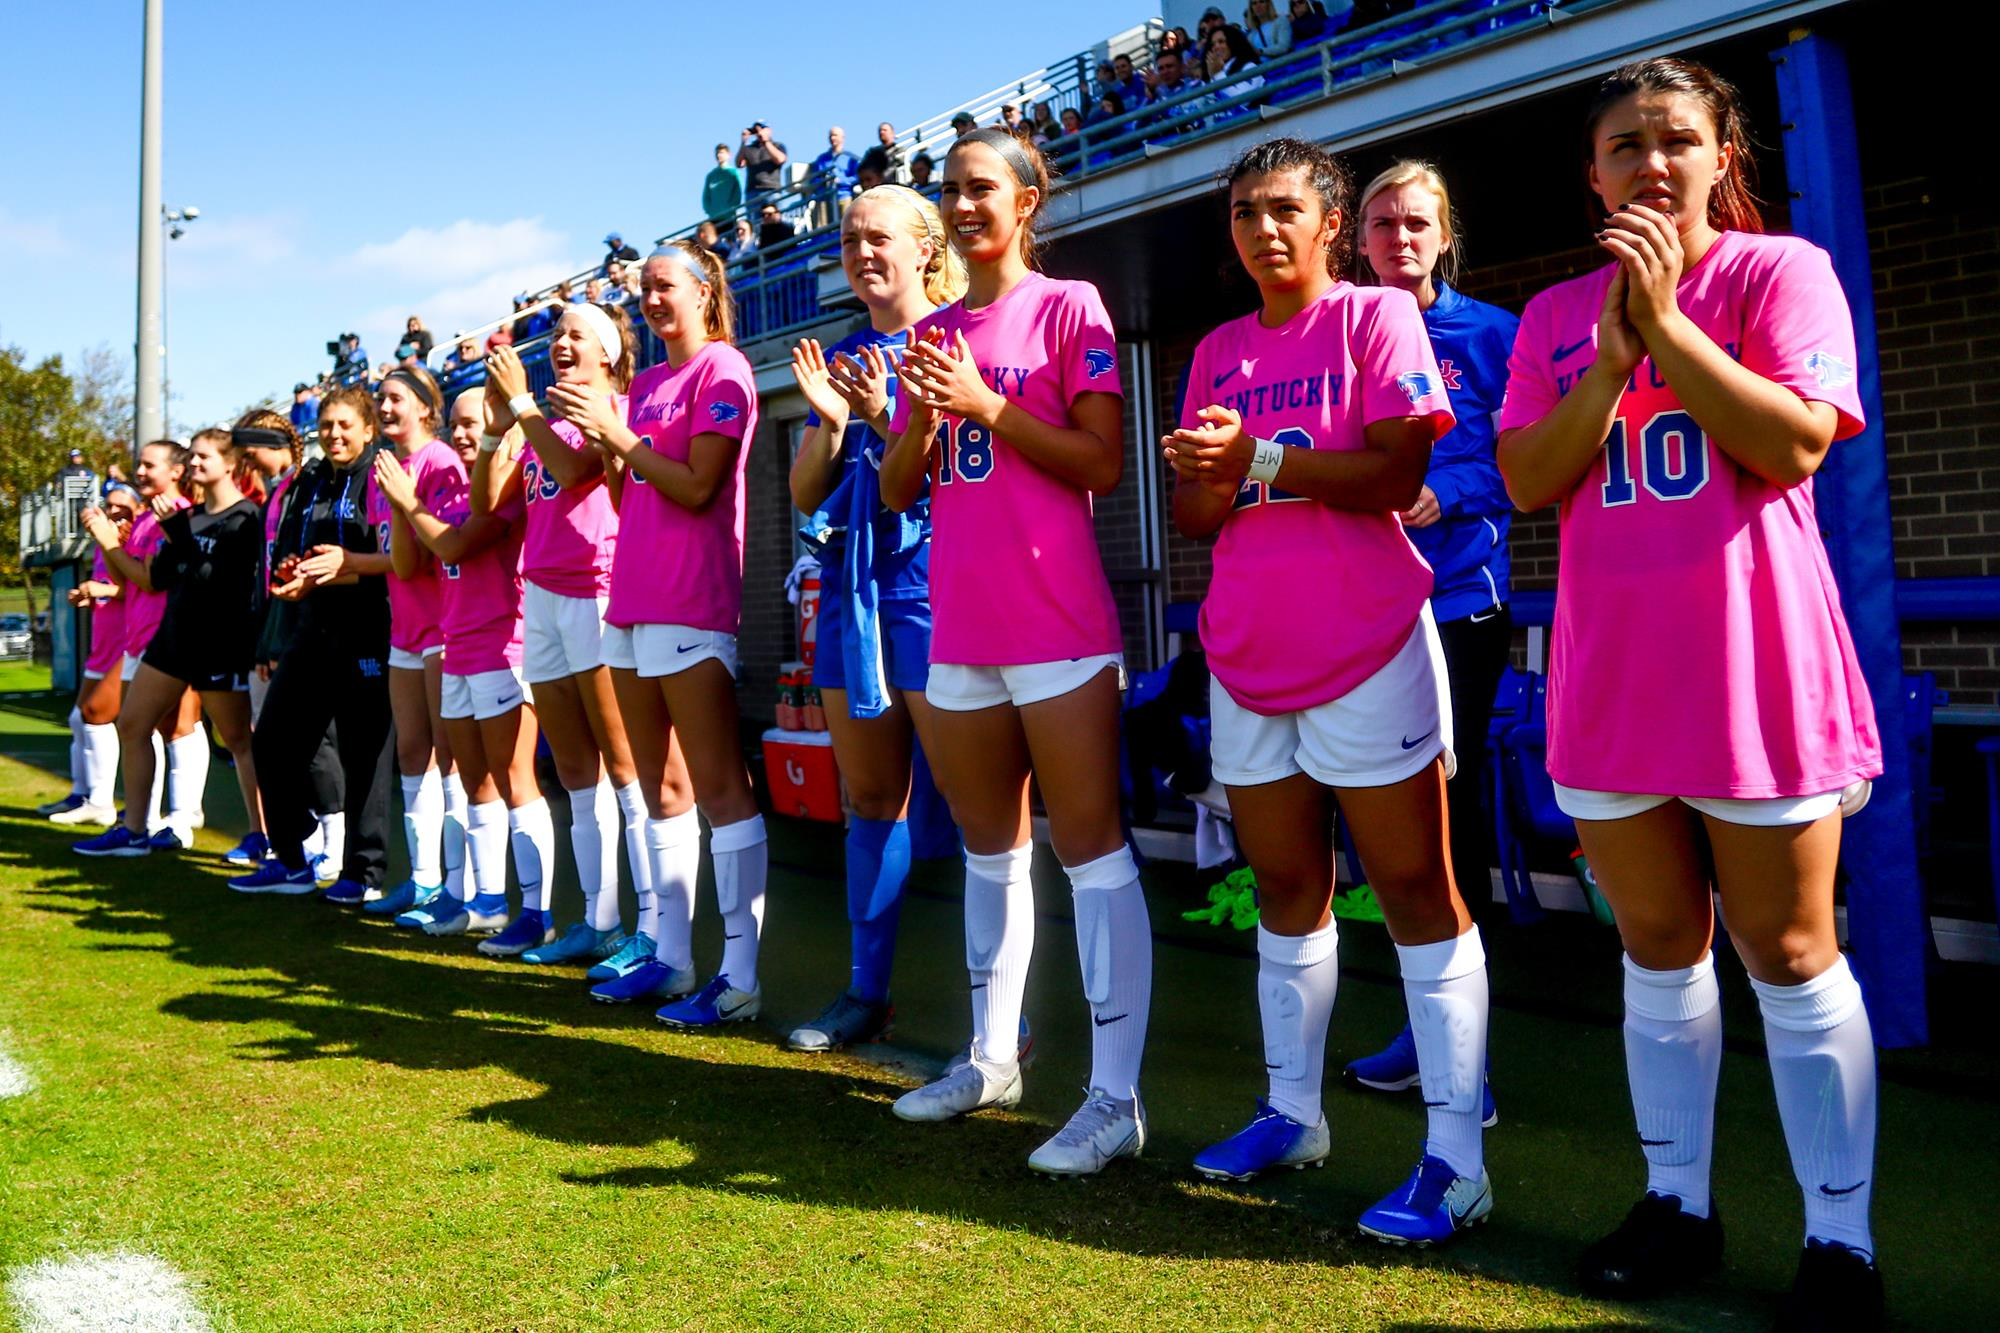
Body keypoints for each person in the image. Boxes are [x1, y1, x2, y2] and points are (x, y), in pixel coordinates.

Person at [1495, 57, 1884, 1327]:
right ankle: (1677, 1204)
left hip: (1752, 664)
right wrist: (1608, 363)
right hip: (1611, 676)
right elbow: (1523, 480)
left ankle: (1839, 1239)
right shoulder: (1556, 315)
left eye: (1674, 139)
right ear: (1591, 172)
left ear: (1723, 155)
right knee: (1656, 948)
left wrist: (1665, 328)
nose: (1649, 164)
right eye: (1623, 145)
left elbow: (1790, 444)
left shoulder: (1779, 274)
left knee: (1786, 950)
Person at [1163, 138, 1487, 1246]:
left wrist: (1255, 460)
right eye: (1244, 211)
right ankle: (1290, 1114)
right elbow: (1200, 521)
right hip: (1248, 650)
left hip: (1367, 641)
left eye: (1284, 208)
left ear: (1330, 221)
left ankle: (1454, 1156)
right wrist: (1210, 475)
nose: (1262, 228)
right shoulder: (1212, 349)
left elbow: (1397, 476)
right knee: (1284, 884)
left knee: (1411, 885)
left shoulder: (1374, 319)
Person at [880, 130, 1150, 1177]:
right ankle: (991, 1057)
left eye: (979, 186)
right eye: (947, 189)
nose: (959, 203)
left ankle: (1114, 1098)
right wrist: (920, 411)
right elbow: (903, 487)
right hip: (963, 621)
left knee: (1089, 847)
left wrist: (989, 404)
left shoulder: (1069, 305)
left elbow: (1100, 461)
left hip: (1056, 617)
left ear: (1028, 200)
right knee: (991, 851)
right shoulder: (934, 328)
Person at [1341, 161, 1517, 1113]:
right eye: (1382, 223)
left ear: (1445, 234)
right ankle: (1423, 1034)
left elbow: (1532, 460)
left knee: (1446, 833)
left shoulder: (1492, 335)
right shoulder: (1337, 331)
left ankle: (1467, 1064)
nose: (1400, 237)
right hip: (1356, 612)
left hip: (1456, 608)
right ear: (1357, 238)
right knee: (1385, 834)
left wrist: (1447, 492)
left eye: (1417, 222)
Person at [559, 240, 766, 1029]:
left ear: (705, 290)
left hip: (692, 600)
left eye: (663, 284)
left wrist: (619, 438)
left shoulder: (725, 371)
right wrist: (610, 440)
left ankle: (739, 975)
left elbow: (698, 485)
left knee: (718, 788)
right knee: (661, 789)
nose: (650, 297)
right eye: (643, 287)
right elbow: (631, 490)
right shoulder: (643, 382)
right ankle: (673, 958)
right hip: (632, 602)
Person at [784, 185, 969, 1051]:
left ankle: (1000, 1015)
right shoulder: (846, 348)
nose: (861, 251)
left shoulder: (964, 332)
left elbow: (945, 471)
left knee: (979, 808)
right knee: (868, 797)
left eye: (877, 236)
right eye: (850, 237)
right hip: (855, 593)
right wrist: (826, 425)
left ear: (927, 248)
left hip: (940, 587)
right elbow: (803, 493)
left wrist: (878, 412)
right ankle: (865, 992)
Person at [471, 307, 658, 976]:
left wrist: (520, 405)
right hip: (542, 595)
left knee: (626, 762)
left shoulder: (616, 405)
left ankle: (652, 926)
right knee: (576, 770)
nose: (561, 345)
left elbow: (577, 472)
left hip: (596, 588)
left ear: (608, 353)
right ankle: (598, 920)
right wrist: (497, 431)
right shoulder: (536, 422)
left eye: (577, 334)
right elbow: (488, 508)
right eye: (556, 337)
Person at [374, 390, 553, 957]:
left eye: (472, 423)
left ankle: (538, 912)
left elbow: (460, 542)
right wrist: (411, 505)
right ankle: (487, 901)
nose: (462, 434)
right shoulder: (452, 487)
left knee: (515, 777)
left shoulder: (507, 481)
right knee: (473, 779)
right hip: (458, 642)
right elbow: (414, 563)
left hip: (507, 641)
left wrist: (408, 502)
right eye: (455, 424)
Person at [230, 387, 397, 900]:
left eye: (346, 425)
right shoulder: (310, 481)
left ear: (368, 429)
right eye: (327, 426)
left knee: (364, 753)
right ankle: (293, 857)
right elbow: (293, 548)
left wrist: (339, 570)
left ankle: (361, 874)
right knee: (272, 742)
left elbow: (399, 562)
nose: (335, 435)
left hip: (371, 630)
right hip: (311, 628)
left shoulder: (381, 475)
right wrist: (294, 574)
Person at [74, 427, 265, 862]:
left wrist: (178, 535)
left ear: (229, 464)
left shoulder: (245, 518)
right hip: (174, 639)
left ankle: (262, 834)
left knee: (237, 741)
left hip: (219, 642)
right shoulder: (190, 516)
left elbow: (218, 583)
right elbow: (159, 578)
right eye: (192, 456)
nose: (195, 464)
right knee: (133, 724)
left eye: (204, 457)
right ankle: (135, 829)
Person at [357, 364, 470, 919]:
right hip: (405, 626)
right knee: (411, 752)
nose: (384, 407)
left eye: (396, 398)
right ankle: (423, 878)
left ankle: (459, 883)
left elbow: (432, 553)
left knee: (450, 757)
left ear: (426, 408)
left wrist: (405, 502)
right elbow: (400, 562)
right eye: (380, 398)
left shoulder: (440, 462)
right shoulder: (391, 469)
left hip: (445, 626)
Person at [72, 442, 199, 843]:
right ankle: (141, 823)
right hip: (140, 637)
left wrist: (108, 542)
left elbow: (148, 580)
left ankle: (178, 820)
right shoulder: (146, 519)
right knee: (140, 728)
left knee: (178, 727)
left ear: (176, 471)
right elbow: (126, 580)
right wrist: (109, 541)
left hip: (169, 637)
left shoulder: (178, 515)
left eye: (149, 465)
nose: (139, 471)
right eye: (138, 464)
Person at [240, 417, 346, 883]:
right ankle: (299, 849)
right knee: (277, 743)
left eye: (253, 449)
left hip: (312, 631)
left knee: (316, 745)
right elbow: (274, 574)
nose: (246, 460)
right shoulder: (279, 495)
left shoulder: (305, 485)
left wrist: (278, 638)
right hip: (283, 629)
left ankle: (331, 842)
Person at [43, 480, 142, 827]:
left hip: (126, 641)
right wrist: (91, 594)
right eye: (108, 504)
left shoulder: (134, 538)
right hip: (103, 643)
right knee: (78, 718)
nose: (113, 511)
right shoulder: (104, 541)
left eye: (121, 504)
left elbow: (142, 586)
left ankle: (103, 802)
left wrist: (102, 588)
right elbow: (113, 587)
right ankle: (82, 792)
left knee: (98, 714)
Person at [809, 126, 858, 227]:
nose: (832, 138)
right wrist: (823, 181)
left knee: (846, 225)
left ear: (842, 137)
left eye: (835, 135)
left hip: (843, 195)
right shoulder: (822, 159)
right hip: (824, 197)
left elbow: (857, 177)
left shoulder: (850, 158)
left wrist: (841, 181)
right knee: (822, 227)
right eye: (830, 136)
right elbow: (814, 179)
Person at [737, 122, 789, 207]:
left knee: (774, 219)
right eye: (756, 130)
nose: (759, 133)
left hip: (772, 190)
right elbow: (739, 164)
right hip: (753, 192)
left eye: (761, 129)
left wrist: (766, 142)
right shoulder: (749, 148)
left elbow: (780, 159)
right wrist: (743, 142)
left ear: (769, 130)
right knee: (754, 220)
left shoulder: (778, 145)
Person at [703, 144, 743, 222]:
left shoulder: (733, 173)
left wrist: (731, 208)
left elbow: (737, 193)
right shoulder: (711, 175)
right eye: (717, 153)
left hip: (729, 217)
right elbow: (706, 196)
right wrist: (709, 210)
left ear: (728, 155)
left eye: (721, 152)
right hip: (714, 217)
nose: (718, 155)